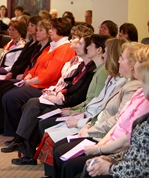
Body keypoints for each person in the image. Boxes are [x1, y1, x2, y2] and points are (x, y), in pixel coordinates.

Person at [49, 42, 144, 177]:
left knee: (67, 159)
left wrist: (98, 145)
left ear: (133, 65)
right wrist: (88, 124)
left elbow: (124, 131)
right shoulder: (128, 84)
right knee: (60, 149)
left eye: (121, 58)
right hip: (103, 135)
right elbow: (104, 109)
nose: (118, 60)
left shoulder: (134, 88)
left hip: (109, 141)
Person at [4, 27, 95, 164]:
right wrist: (54, 91)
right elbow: (64, 82)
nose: (71, 40)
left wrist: (60, 95)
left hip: (68, 102)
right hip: (58, 95)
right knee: (29, 105)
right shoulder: (77, 62)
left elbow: (79, 93)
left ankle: (23, 144)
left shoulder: (86, 66)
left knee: (33, 107)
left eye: (76, 39)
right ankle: (24, 146)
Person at [2, 18, 76, 136]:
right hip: (37, 82)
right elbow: (36, 66)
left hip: (45, 86)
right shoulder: (51, 47)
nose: (50, 31)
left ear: (60, 30)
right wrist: (28, 76)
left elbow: (50, 74)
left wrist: (29, 81)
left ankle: (15, 134)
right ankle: (11, 131)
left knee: (11, 97)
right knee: (8, 91)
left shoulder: (64, 48)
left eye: (52, 28)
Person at [82, 59, 149, 178]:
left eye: (143, 81)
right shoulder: (137, 92)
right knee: (88, 167)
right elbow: (133, 150)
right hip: (121, 158)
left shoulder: (136, 91)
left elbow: (143, 168)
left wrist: (110, 167)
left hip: (127, 169)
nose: (141, 85)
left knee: (86, 169)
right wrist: (110, 158)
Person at [0, 16, 47, 135]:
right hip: (20, 74)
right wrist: (12, 73)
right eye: (31, 26)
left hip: (28, 78)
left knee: (3, 89)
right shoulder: (30, 44)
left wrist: (20, 75)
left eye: (35, 27)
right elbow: (20, 63)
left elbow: (30, 66)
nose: (31, 29)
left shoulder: (38, 46)